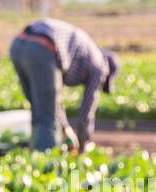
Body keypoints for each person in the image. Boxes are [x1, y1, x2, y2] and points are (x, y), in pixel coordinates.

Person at [8, 18, 119, 152]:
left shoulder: (86, 52)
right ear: (108, 74)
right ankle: (45, 164)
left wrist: (66, 128)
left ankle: (35, 153)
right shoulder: (100, 67)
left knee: (39, 109)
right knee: (47, 120)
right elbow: (86, 113)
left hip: (19, 44)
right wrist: (82, 146)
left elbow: (54, 101)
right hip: (42, 47)